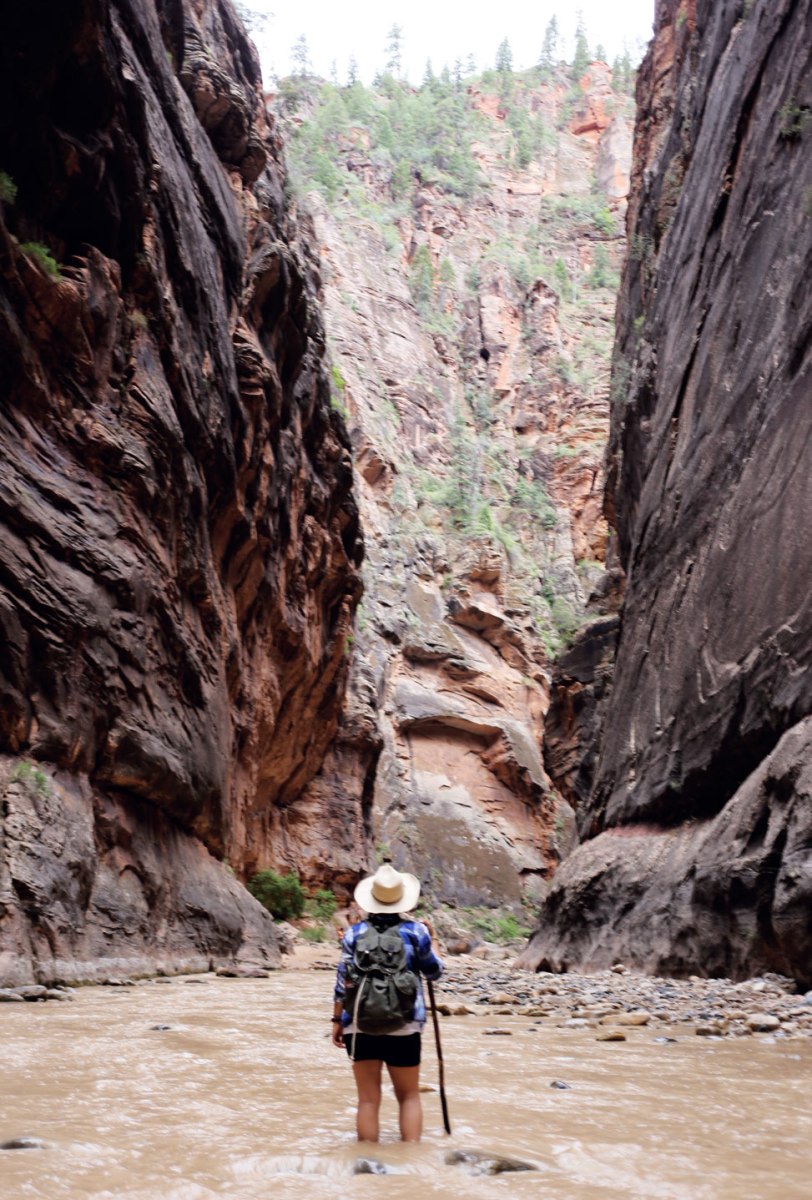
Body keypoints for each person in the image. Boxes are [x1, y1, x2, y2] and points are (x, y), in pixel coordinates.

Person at [331, 863, 443, 1143]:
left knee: (368, 1101)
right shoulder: (417, 932)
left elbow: (342, 982)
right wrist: (435, 941)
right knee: (409, 1096)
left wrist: (337, 1021)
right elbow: (434, 972)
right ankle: (410, 1162)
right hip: (404, 1026)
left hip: (360, 1023)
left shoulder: (354, 934)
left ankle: (368, 1161)